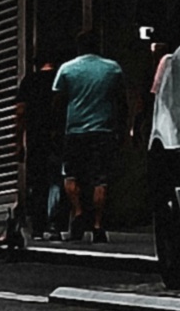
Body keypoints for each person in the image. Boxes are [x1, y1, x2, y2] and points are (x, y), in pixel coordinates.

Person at [52, 42, 130, 243]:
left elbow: (58, 103)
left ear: (79, 48)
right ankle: (97, 225)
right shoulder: (112, 68)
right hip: (103, 130)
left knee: (70, 176)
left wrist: (57, 131)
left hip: (75, 131)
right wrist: (123, 129)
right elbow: (122, 101)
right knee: (100, 179)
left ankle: (78, 212)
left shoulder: (67, 69)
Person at [2, 55, 62, 253]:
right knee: (56, 180)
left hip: (36, 137)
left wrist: (18, 142)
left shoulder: (30, 81)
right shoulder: (62, 78)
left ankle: (38, 226)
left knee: (37, 182)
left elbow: (20, 112)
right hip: (58, 136)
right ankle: (54, 225)